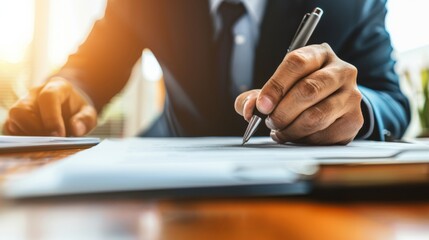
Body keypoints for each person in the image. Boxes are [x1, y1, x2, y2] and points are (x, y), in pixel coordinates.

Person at [3, 0, 410, 145]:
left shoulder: (353, 2)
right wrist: (68, 89)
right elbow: (91, 68)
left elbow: (390, 100)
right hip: (167, 181)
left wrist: (356, 109)